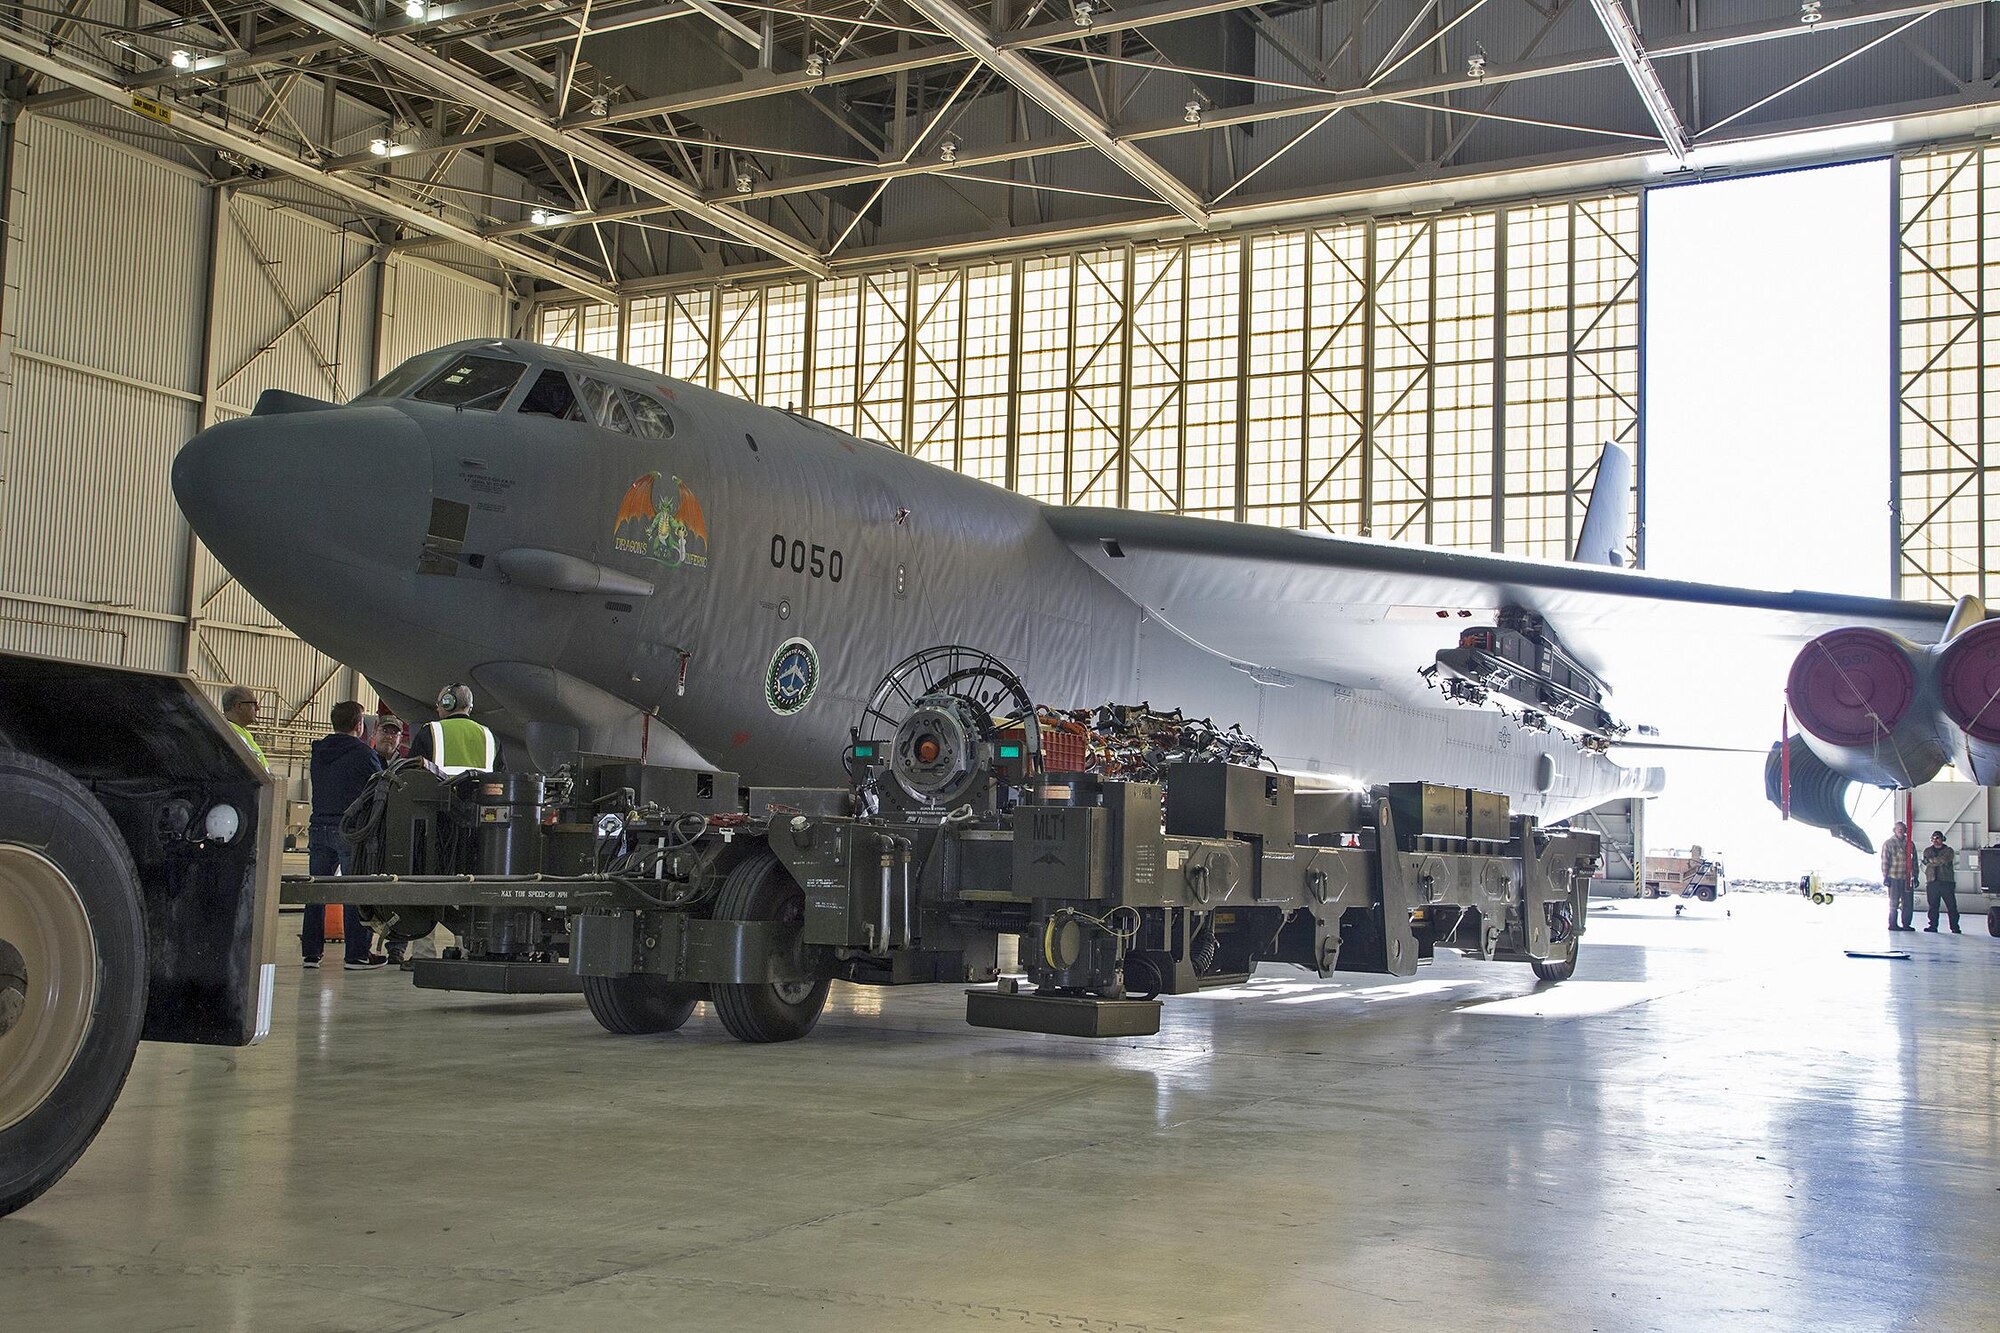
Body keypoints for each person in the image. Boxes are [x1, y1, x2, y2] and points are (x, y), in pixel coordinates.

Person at [304, 700, 387, 971]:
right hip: (349, 829)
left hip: (318, 826)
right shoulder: (363, 753)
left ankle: (311, 954)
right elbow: (381, 786)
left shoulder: (318, 751)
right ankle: (357, 954)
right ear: (359, 725)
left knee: (316, 892)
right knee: (355, 891)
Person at [412, 683, 498, 775]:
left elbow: (412, 774)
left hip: (439, 789)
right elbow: (502, 779)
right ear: (470, 707)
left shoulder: (430, 731)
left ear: (447, 703)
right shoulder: (489, 736)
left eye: (439, 703)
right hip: (480, 790)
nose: (437, 709)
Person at [1920, 830, 1963, 934]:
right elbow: (1931, 860)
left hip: (1946, 882)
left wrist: (1931, 861)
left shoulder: (1949, 850)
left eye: (1937, 838)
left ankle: (1954, 927)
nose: (1935, 840)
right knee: (1933, 906)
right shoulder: (1927, 851)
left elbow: (1944, 859)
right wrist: (1936, 861)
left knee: (1951, 906)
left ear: (1942, 839)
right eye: (1933, 838)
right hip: (1932, 881)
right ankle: (1932, 926)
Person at [219, 684, 267, 769]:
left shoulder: (242, 732)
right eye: (254, 704)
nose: (258, 708)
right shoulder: (230, 733)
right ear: (239, 706)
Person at [1881, 820, 1915, 931]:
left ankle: (1906, 924)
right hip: (1894, 877)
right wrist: (1885, 876)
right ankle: (1892, 924)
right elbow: (1885, 861)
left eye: (1902, 829)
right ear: (1894, 830)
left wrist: (1915, 876)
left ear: (1905, 830)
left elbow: (1914, 861)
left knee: (1908, 904)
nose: (1901, 831)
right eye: (1898, 829)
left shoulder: (1910, 843)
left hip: (1907, 878)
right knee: (1893, 903)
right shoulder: (1888, 843)